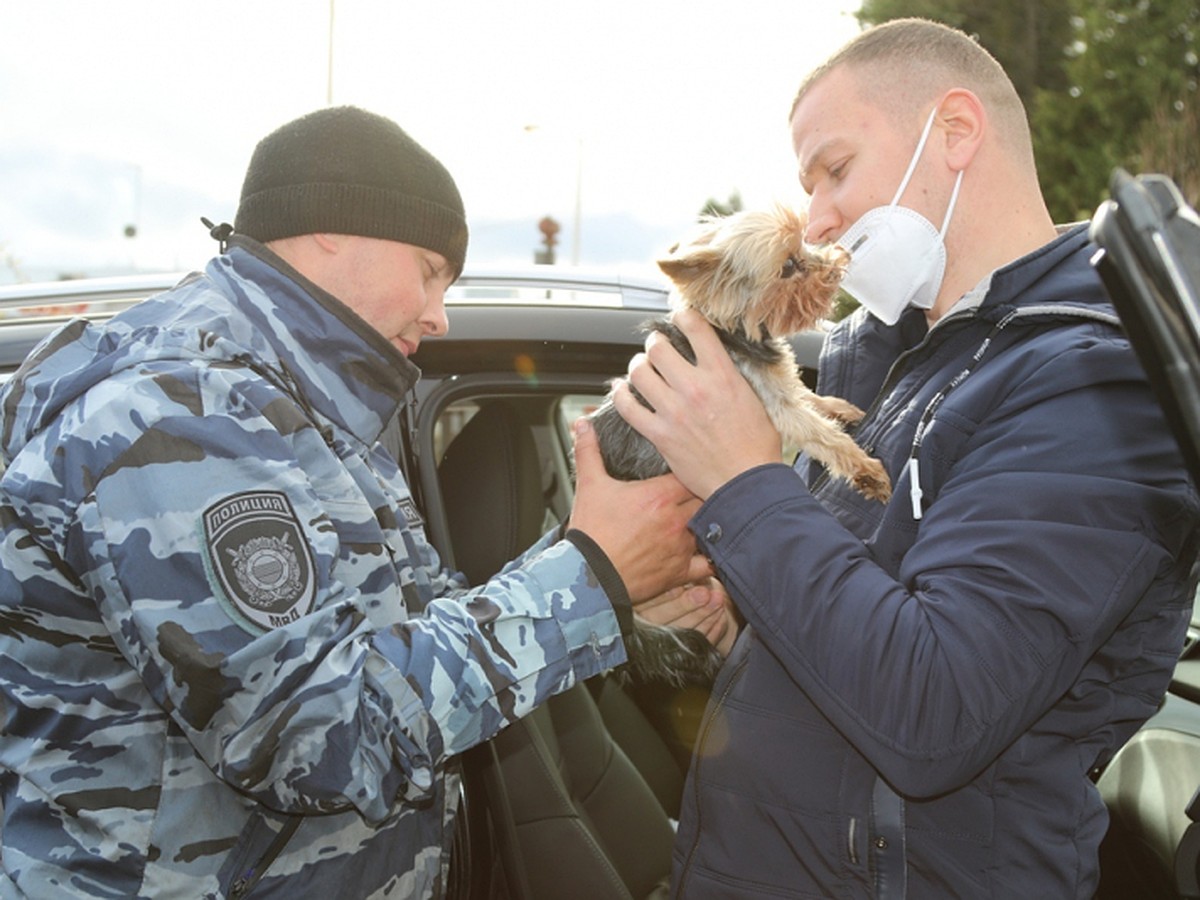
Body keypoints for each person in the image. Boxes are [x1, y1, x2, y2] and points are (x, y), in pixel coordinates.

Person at [0, 106, 711, 899]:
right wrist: (587, 578)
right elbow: (316, 738)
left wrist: (615, 590)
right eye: (431, 270)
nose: (438, 314)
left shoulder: (291, 403)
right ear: (334, 228)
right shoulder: (187, 412)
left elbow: (395, 630)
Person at [613, 18, 1200, 898]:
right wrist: (733, 625)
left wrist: (745, 483)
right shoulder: (881, 361)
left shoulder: (1100, 380)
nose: (817, 220)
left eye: (836, 171)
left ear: (956, 131)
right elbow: (853, 619)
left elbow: (934, 712)